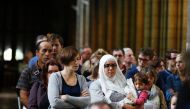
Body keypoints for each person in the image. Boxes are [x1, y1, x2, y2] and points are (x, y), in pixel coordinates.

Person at [16, 40, 52, 108]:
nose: (47, 54)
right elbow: (23, 96)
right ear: (37, 53)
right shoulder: (27, 71)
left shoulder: (55, 70)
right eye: (44, 50)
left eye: (50, 51)